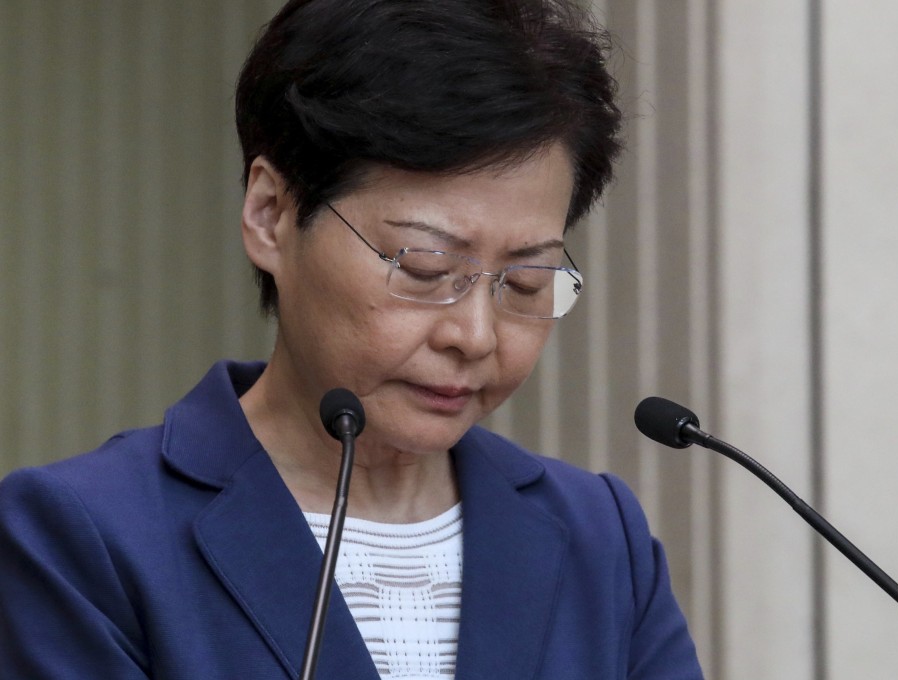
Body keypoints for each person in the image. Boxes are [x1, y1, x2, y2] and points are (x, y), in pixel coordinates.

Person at [0, 0, 703, 677]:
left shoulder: (600, 539)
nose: (475, 335)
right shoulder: (83, 536)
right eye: (427, 268)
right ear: (271, 214)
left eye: (525, 282)